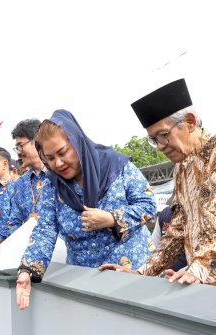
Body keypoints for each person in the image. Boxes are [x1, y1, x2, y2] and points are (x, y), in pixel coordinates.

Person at [101, 79, 216, 292]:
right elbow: (178, 227)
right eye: (153, 139)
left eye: (164, 135)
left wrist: (199, 267)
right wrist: (142, 272)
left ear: (191, 122)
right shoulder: (181, 168)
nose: (160, 146)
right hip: (205, 281)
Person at [16, 110, 156, 309]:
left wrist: (112, 218)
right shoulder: (52, 185)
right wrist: (27, 270)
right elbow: (45, 230)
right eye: (50, 158)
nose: (58, 163)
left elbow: (148, 205)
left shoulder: (116, 165)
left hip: (132, 277)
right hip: (84, 282)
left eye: (63, 152)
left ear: (77, 142)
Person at [6, 119, 50, 234]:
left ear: (36, 141)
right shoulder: (20, 184)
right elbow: (13, 223)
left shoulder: (58, 175)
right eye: (17, 148)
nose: (18, 152)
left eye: (20, 146)